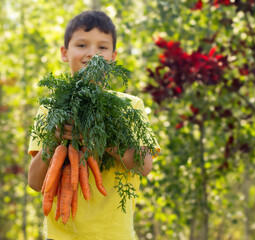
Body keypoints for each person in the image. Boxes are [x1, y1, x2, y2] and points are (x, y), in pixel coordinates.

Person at [27, 10, 160, 240]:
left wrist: (101, 138)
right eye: (81, 45)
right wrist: (54, 141)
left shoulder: (129, 106)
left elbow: (144, 165)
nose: (92, 53)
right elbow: (35, 182)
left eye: (102, 47)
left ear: (113, 56)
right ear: (64, 53)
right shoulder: (52, 109)